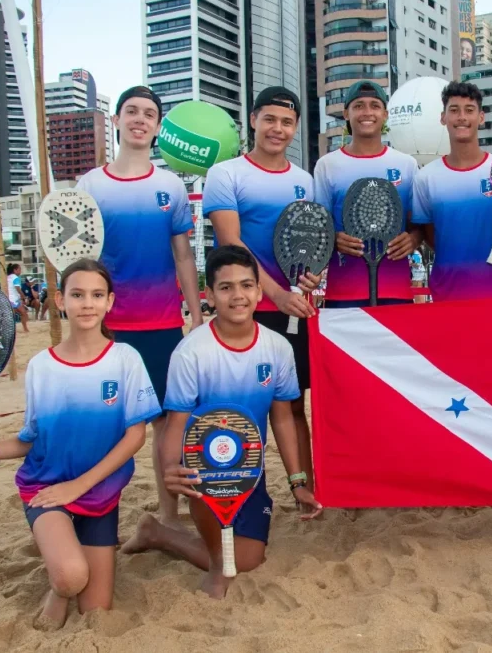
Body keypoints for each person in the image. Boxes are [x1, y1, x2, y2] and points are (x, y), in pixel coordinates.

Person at [0, 259, 157, 628]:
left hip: (99, 494)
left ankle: (63, 576)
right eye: (77, 294)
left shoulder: (126, 360)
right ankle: (59, 587)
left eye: (96, 295)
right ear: (60, 300)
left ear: (109, 302)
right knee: (72, 577)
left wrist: (80, 485)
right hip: (47, 488)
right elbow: (30, 440)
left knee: (96, 609)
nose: (87, 303)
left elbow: (135, 436)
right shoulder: (42, 366)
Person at [121, 246, 322, 599]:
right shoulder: (191, 352)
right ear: (210, 296)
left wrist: (297, 481)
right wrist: (171, 469)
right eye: (226, 287)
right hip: (203, 469)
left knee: (249, 559)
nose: (238, 295)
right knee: (226, 560)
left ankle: (158, 533)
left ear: (260, 292)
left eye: (247, 285)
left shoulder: (277, 348)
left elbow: (282, 418)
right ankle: (214, 561)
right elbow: (176, 422)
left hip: (250, 469)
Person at [77, 85, 203, 528]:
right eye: (131, 111)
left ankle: (169, 515)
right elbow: (79, 261)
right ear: (115, 121)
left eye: (148, 113)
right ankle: (91, 514)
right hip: (106, 328)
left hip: (163, 325)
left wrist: (198, 316)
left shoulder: (169, 186)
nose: (139, 119)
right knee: (102, 427)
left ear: (157, 127)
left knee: (168, 428)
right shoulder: (89, 186)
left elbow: (184, 256)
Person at [202, 86, 320, 486]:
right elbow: (233, 246)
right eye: (269, 119)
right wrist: (277, 295)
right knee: (236, 409)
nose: (277, 128)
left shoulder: (306, 181)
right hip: (242, 311)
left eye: (287, 122)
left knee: (293, 406)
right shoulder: (225, 174)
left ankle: (303, 487)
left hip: (292, 313)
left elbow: (313, 241)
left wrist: (313, 277)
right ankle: (234, 487)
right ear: (253, 120)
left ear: (296, 127)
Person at [314, 80, 421, 308]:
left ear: (385, 114)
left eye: (374, 105)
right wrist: (333, 239)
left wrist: (413, 240)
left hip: (396, 291)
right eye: (359, 105)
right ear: (346, 114)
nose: (367, 112)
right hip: (343, 293)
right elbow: (319, 227)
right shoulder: (327, 165)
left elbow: (419, 224)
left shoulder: (406, 165)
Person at [412, 81, 492, 303]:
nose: (462, 117)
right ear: (443, 118)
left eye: (469, 110)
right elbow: (433, 237)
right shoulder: (426, 177)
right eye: (454, 110)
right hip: (448, 297)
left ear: (481, 117)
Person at [7, 263, 29, 333]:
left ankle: (12, 330)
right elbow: (18, 289)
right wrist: (24, 297)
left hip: (8, 298)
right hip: (14, 299)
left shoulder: (8, 277)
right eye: (19, 269)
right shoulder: (15, 278)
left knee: (11, 316)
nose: (20, 271)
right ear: (15, 270)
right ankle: (25, 328)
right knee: (24, 313)